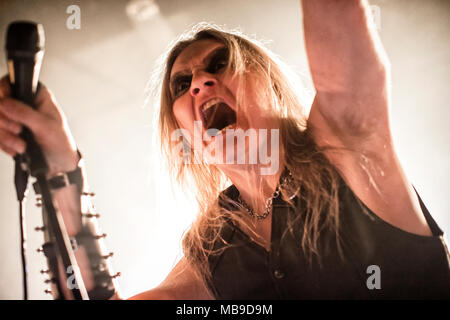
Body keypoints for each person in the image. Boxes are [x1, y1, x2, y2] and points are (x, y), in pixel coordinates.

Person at [0, 0, 448, 299]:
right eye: (183, 83)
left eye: (220, 63)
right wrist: (61, 165)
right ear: (187, 136)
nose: (200, 82)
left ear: (270, 85)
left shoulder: (344, 149)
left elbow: (343, 42)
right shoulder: (212, 248)